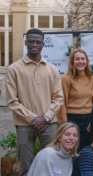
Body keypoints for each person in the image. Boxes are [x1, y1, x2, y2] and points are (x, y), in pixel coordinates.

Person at [6, 28, 63, 176]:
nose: (34, 44)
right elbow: (12, 101)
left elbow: (58, 98)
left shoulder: (53, 69)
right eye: (31, 41)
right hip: (24, 124)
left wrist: (45, 118)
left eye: (38, 42)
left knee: (50, 161)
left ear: (43, 44)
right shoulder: (14, 69)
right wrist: (33, 119)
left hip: (48, 124)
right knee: (25, 165)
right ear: (26, 43)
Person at [57, 48, 93, 151]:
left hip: (88, 120)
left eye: (83, 59)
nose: (80, 62)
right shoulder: (65, 78)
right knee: (71, 150)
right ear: (72, 62)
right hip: (71, 119)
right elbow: (62, 103)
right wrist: (64, 124)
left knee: (86, 150)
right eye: (77, 59)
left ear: (87, 61)